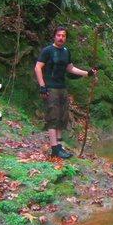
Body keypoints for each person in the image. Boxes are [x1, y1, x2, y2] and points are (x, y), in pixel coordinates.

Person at [34, 27, 97, 159]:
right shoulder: (48, 51)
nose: (61, 38)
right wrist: (42, 86)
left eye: (63, 36)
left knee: (63, 116)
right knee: (53, 116)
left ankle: (59, 145)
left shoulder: (66, 51)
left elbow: (70, 68)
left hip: (62, 87)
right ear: (54, 37)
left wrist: (87, 73)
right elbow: (38, 67)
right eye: (58, 35)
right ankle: (54, 148)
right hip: (50, 87)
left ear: (65, 38)